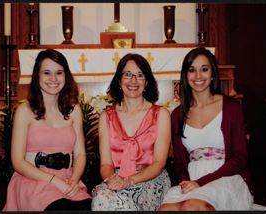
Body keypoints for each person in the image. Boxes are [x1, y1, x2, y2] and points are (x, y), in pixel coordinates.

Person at [158, 47, 254, 211]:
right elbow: (180, 163)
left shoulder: (231, 108)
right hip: (192, 180)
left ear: (212, 73)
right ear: (185, 75)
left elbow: (240, 158)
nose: (198, 76)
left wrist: (200, 183)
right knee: (166, 210)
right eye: (191, 70)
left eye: (204, 69)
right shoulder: (177, 115)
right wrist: (186, 182)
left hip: (226, 178)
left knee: (191, 206)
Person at [3, 49, 91, 211]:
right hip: (33, 180)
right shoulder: (25, 110)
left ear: (66, 76)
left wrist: (74, 180)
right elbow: (17, 161)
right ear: (37, 76)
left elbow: (80, 154)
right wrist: (53, 180)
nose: (53, 79)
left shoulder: (74, 110)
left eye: (59, 72)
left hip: (68, 180)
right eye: (47, 73)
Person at [91, 53, 171, 211]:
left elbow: (158, 163)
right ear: (119, 81)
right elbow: (106, 164)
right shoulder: (106, 117)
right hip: (116, 178)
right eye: (128, 74)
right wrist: (112, 179)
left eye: (139, 75)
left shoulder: (161, 115)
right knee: (102, 198)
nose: (133, 81)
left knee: (118, 201)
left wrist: (129, 180)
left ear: (146, 82)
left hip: (149, 178)